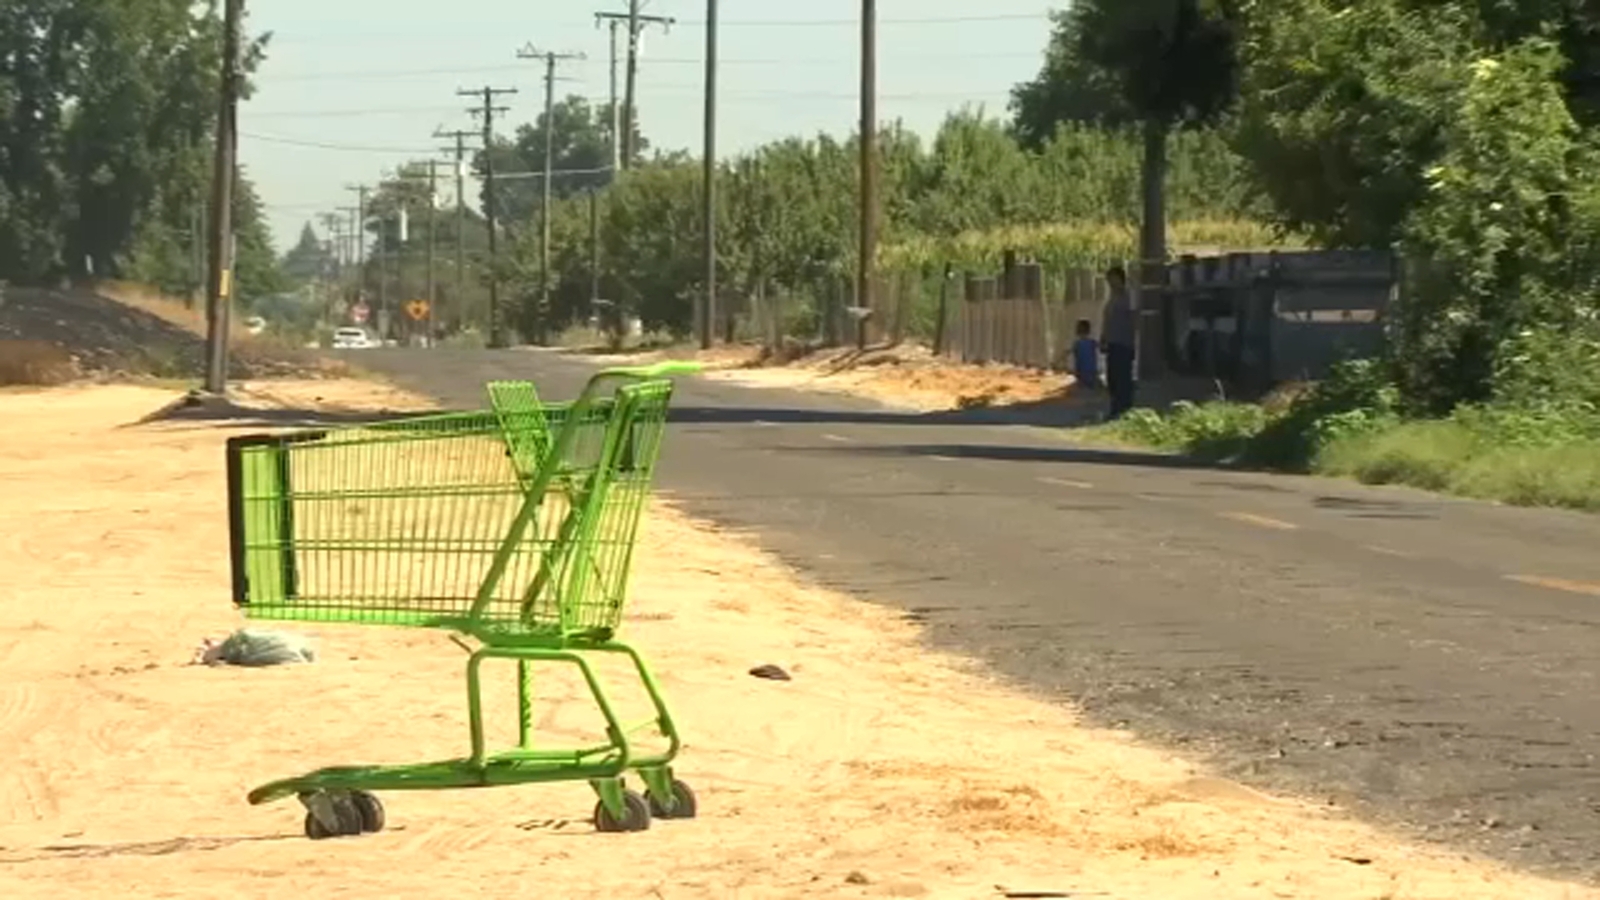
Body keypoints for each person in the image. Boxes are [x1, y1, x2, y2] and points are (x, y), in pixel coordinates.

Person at [1099, 265, 1137, 420]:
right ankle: (1115, 408)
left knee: (1123, 377)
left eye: (1113, 280)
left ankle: (1124, 409)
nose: (1111, 284)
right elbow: (1106, 320)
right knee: (1112, 377)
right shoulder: (1111, 298)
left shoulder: (1129, 297)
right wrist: (1103, 337)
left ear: (1121, 279)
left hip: (1124, 342)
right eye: (1109, 281)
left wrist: (1134, 340)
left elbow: (1135, 319)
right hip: (1112, 342)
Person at [1070, 319, 1101, 390]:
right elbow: (1101, 347)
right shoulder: (1092, 342)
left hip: (1081, 371)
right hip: (1091, 371)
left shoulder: (1077, 344)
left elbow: (1072, 354)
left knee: (1082, 387)